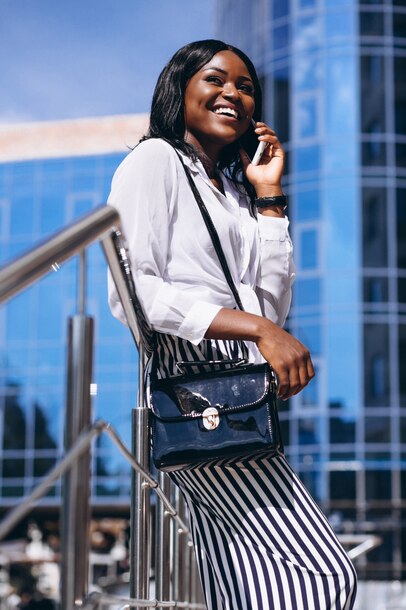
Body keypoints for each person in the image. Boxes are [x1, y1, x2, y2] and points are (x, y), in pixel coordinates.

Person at [108, 39, 357, 610]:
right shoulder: (156, 161)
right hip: (196, 387)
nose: (233, 94)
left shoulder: (237, 194)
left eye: (245, 87)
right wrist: (258, 331)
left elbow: (272, 307)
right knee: (321, 574)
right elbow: (136, 294)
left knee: (241, 582)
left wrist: (269, 198)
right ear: (181, 88)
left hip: (241, 394)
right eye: (215, 79)